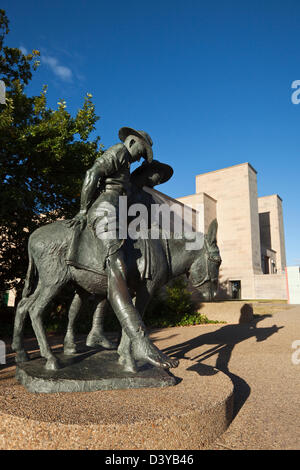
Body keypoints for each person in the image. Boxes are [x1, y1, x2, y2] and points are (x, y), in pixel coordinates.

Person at [68, 127, 172, 368]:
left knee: (119, 272)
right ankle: (140, 341)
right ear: (133, 142)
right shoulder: (119, 152)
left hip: (114, 215)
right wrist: (83, 210)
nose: (140, 157)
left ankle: (99, 332)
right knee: (118, 270)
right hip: (105, 212)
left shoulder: (126, 166)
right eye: (142, 151)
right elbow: (92, 173)